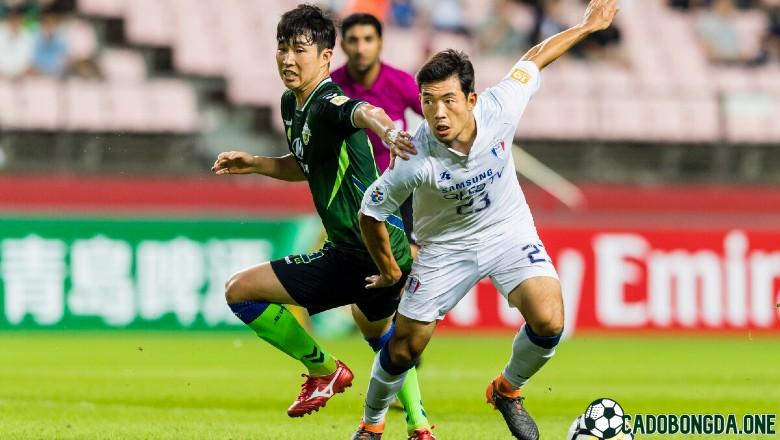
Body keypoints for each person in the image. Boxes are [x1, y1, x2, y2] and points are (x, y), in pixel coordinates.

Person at [349, 1, 618, 439]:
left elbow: (534, 58)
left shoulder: (501, 107)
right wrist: (389, 270)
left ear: (471, 99)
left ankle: (507, 391)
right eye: (428, 102)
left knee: (550, 320)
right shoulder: (414, 157)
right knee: (404, 348)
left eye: (448, 101)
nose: (437, 113)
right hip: (444, 248)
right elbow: (371, 210)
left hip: (506, 229)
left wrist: (587, 27)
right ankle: (372, 424)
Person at [211, 5, 434, 439]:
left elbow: (363, 112)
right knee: (383, 340)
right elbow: (306, 163)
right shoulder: (291, 104)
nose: (288, 59)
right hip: (367, 251)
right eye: (282, 48)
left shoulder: (329, 101)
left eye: (300, 49)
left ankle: (325, 370)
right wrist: (256, 163)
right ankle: (420, 425)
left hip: (370, 253)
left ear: (327, 57)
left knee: (240, 292)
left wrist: (387, 130)